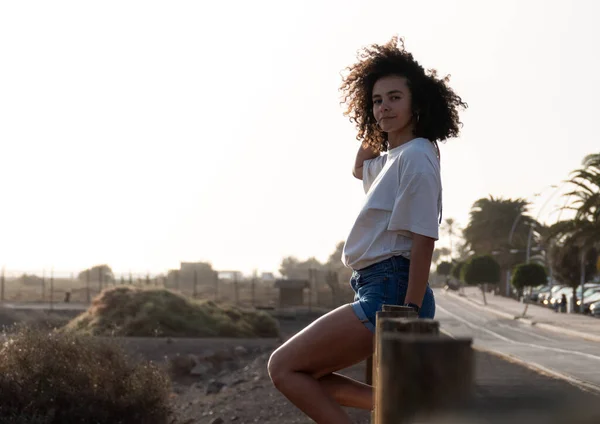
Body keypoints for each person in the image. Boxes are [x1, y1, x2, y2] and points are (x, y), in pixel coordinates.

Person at [267, 36, 467, 423]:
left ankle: (408, 399)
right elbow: (359, 166)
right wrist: (379, 126)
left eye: (395, 97)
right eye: (376, 100)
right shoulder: (395, 157)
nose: (384, 107)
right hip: (376, 284)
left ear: (419, 104)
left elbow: (425, 237)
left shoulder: (418, 158)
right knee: (304, 373)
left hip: (393, 290)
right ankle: (406, 399)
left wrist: (406, 311)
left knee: (284, 367)